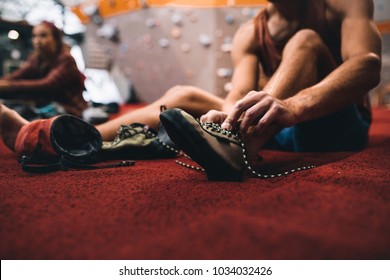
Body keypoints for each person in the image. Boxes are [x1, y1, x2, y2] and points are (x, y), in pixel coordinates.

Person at [0, 0, 382, 173]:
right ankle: (60, 139)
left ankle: (240, 147)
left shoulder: (342, 3)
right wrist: (227, 114)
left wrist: (295, 108)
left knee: (306, 41)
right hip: (277, 130)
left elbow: (366, 65)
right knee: (183, 96)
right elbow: (238, 92)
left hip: (335, 125)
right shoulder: (252, 30)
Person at [0, 21, 88, 119]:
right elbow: (17, 75)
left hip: (71, 113)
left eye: (43, 36)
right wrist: (4, 82)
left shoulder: (66, 60)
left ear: (55, 39)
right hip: (50, 110)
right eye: (34, 36)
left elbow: (47, 85)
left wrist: (10, 86)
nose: (37, 41)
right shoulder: (36, 59)